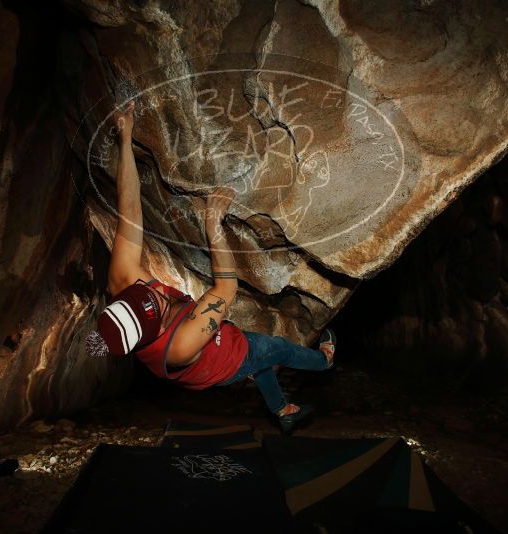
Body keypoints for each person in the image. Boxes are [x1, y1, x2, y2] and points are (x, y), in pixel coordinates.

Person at [85, 100, 336, 433]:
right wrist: (212, 224)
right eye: (158, 305)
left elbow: (129, 210)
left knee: (261, 364)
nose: (156, 290)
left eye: (145, 290)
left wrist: (125, 139)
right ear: (155, 331)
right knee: (275, 350)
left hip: (210, 354)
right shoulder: (181, 343)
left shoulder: (124, 279)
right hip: (223, 362)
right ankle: (323, 362)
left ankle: (283, 410)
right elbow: (225, 289)